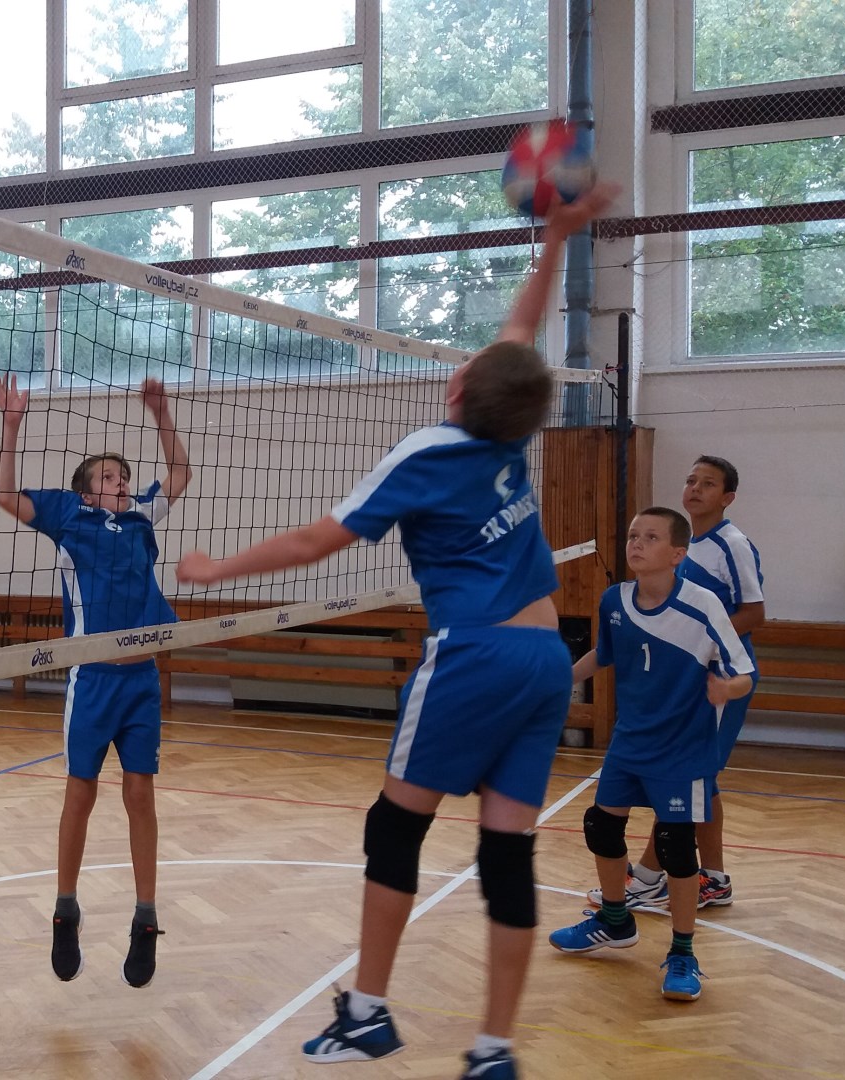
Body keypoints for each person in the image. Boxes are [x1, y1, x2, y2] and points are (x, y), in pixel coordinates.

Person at [177, 182, 620, 1079]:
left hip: (475, 656)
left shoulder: (430, 451)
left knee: (394, 830)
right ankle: (493, 1050)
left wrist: (217, 572)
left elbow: (317, 541)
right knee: (505, 854)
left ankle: (367, 1014)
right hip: (546, 658)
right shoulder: (512, 439)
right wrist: (558, 236)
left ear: (457, 386)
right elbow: (521, 338)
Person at [0, 373, 191, 990]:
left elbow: (181, 472)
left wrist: (161, 414)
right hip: (93, 679)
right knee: (80, 795)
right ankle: (65, 911)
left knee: (140, 796)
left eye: (124, 476)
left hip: (141, 680)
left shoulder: (140, 518)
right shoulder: (68, 516)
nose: (121, 482)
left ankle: (145, 918)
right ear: (86, 489)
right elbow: (4, 494)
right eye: (109, 476)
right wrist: (11, 425)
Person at [548, 507, 754, 1003]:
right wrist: (559, 679)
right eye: (633, 535)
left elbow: (744, 672)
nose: (637, 543)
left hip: (683, 747)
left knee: (676, 846)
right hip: (630, 740)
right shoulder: (614, 600)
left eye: (651, 537)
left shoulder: (703, 605)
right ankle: (615, 920)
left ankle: (682, 953)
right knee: (600, 826)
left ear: (678, 553)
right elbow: (604, 654)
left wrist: (727, 688)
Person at [593, 456, 763, 913]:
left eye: (708, 483)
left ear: (727, 497)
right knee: (694, 779)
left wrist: (696, 644)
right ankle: (699, 877)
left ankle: (662, 876)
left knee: (691, 776)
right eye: (690, 480)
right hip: (685, 675)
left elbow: (754, 612)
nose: (695, 488)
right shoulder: (680, 546)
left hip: (716, 675)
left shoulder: (732, 544)